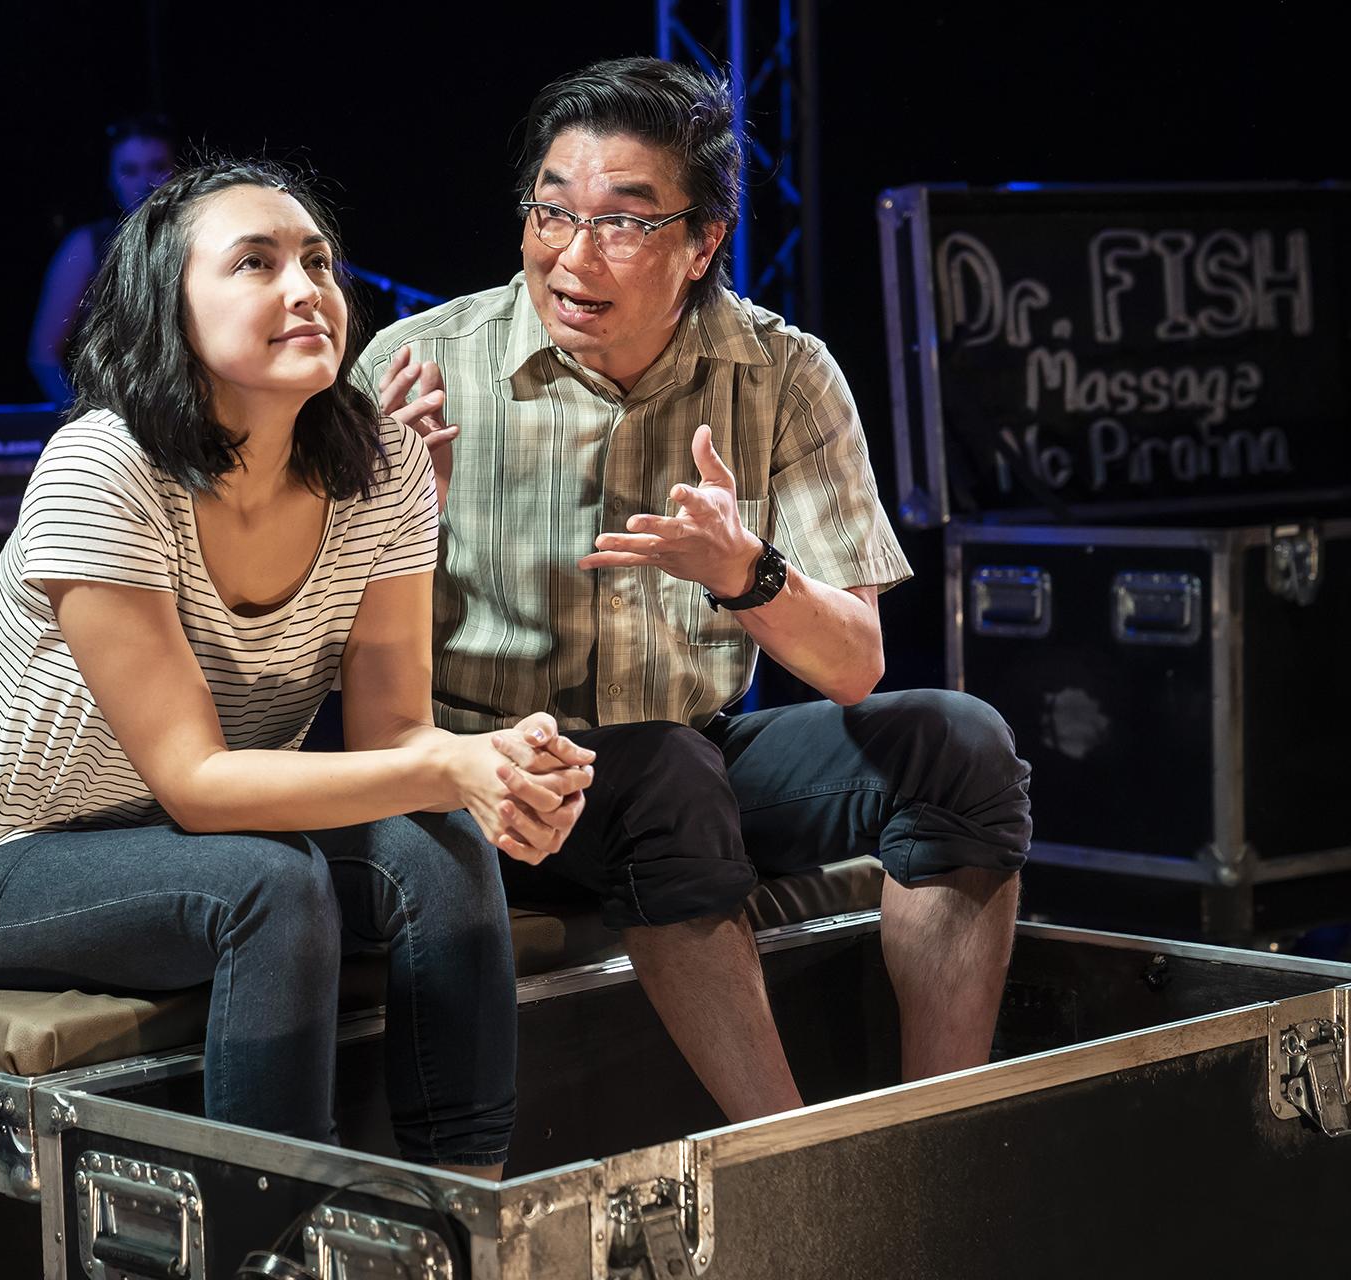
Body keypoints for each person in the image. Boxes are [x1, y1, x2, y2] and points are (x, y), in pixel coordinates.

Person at [0, 158, 595, 1174]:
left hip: (185, 831)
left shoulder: (385, 466)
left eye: (316, 261)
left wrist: (500, 765)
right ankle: (271, 1228)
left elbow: (394, 735)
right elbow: (196, 779)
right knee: (268, 885)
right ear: (168, 309)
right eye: (255, 263)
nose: (306, 288)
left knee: (442, 845)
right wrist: (455, 763)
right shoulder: (106, 466)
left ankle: (463, 1207)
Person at [358, 57, 1031, 1122]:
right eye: (550, 210)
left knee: (962, 747)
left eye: (624, 222)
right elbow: (311, 661)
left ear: (703, 240)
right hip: (481, 783)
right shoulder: (415, 367)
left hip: (687, 766)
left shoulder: (783, 370)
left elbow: (853, 662)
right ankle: (795, 1156)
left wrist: (744, 573)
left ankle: (929, 1132)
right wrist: (405, 513)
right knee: (667, 772)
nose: (573, 255)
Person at [27, 114, 178, 402]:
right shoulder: (87, 245)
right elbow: (44, 356)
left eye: (158, 167)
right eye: (130, 170)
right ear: (111, 178)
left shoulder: (198, 238)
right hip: (115, 413)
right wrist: (83, 418)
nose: (146, 182)